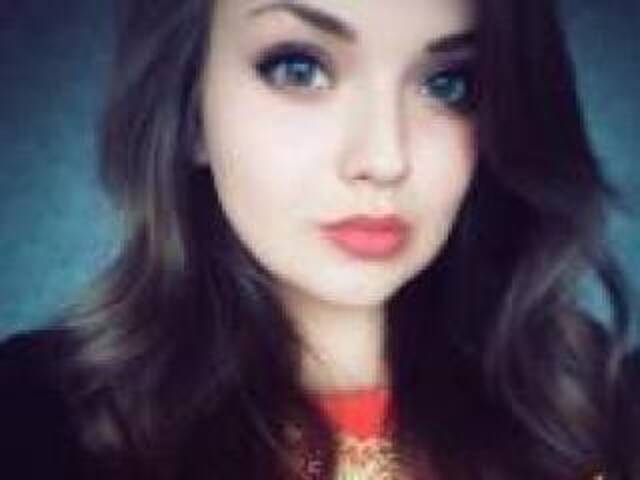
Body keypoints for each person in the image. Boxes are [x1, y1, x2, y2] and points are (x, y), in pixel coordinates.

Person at [0, 0, 637, 479]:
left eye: (449, 85)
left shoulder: (599, 406)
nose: (384, 159)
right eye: (299, 68)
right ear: (190, 112)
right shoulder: (35, 420)